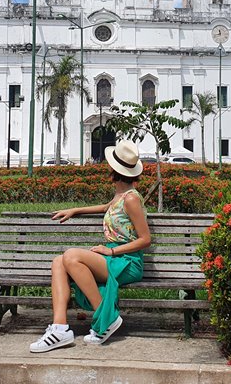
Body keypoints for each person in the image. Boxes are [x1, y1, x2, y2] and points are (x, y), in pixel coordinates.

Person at [29, 140, 150, 353]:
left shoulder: (131, 198)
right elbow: (106, 207)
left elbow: (145, 239)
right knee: (59, 262)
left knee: (71, 256)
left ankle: (106, 318)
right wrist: (75, 210)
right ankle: (59, 329)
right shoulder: (120, 194)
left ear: (114, 170)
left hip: (128, 262)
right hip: (115, 260)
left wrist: (111, 250)